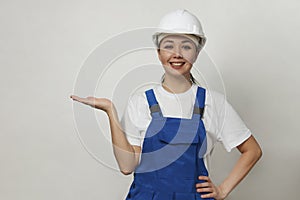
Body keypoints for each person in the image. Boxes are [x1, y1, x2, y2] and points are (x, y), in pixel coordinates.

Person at [70, 9, 262, 200]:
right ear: (158, 52)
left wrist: (223, 190)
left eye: (186, 46)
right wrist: (110, 111)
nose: (177, 54)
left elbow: (252, 150)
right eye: (169, 46)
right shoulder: (141, 102)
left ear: (197, 52)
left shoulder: (214, 103)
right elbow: (127, 166)